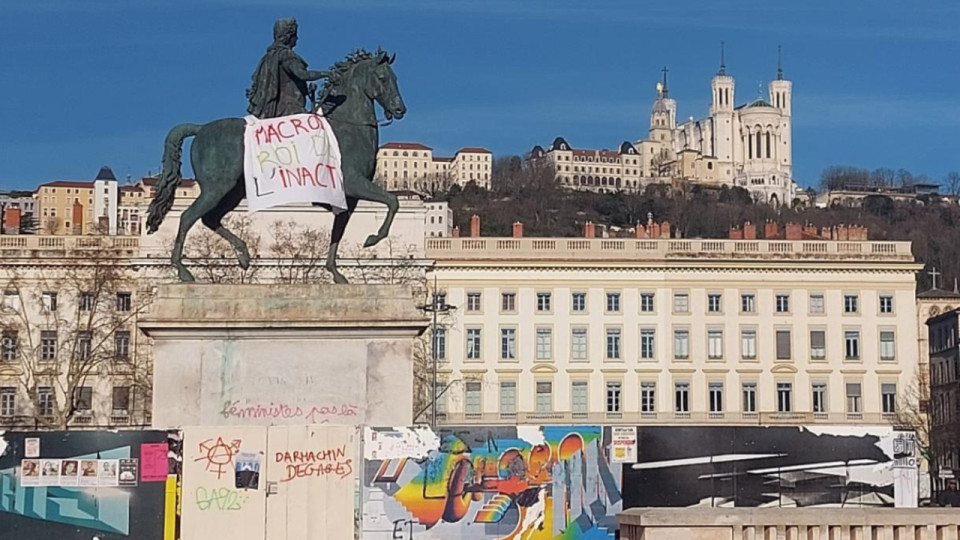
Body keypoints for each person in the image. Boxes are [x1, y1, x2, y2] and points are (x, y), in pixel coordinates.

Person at [246, 18, 329, 118]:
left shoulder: (269, 56)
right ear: (288, 36)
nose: (297, 38)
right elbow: (302, 74)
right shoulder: (285, 54)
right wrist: (326, 73)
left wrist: (306, 90)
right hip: (289, 108)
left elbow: (286, 81)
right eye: (295, 35)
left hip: (281, 107)